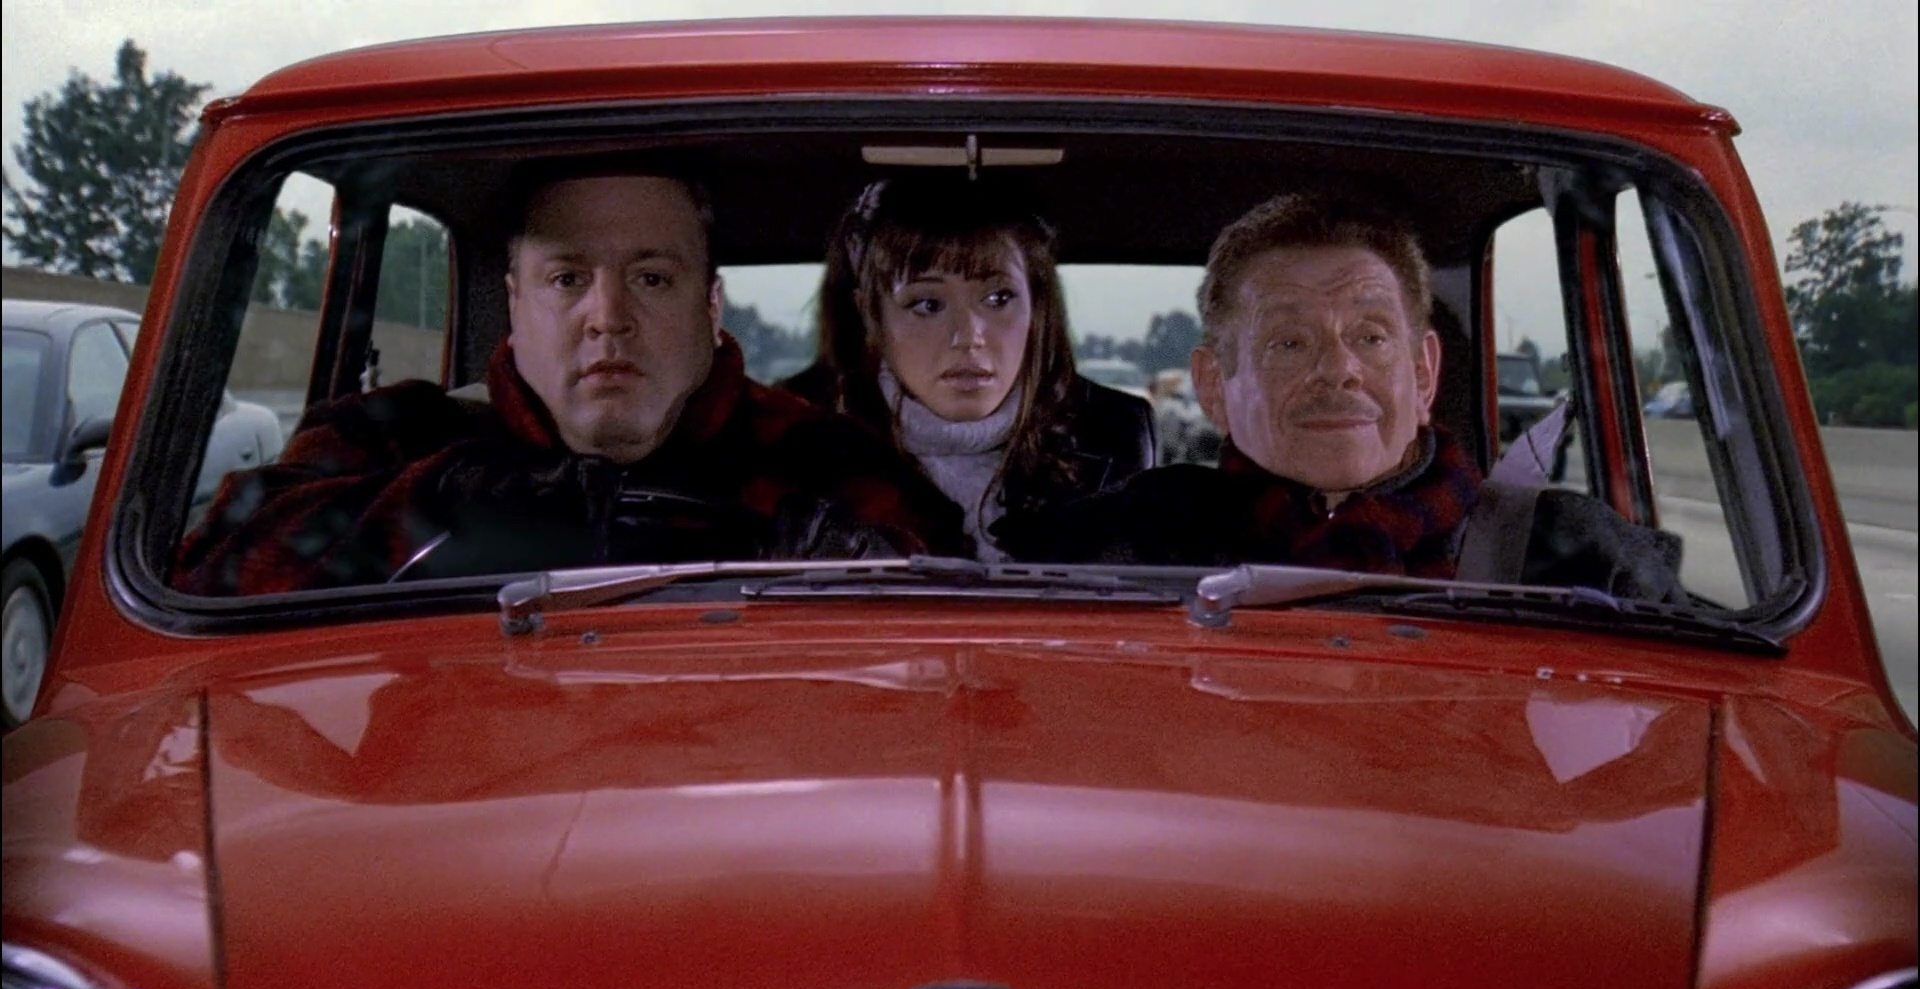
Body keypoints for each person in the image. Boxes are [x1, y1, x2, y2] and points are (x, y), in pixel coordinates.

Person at [173, 160, 961, 595]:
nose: (607, 317)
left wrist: (841, 568)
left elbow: (954, 618)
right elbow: (201, 589)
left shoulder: (818, 458)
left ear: (710, 307)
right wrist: (439, 500)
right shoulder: (393, 437)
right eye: (566, 279)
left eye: (652, 279)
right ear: (515, 303)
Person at [999, 192, 1684, 602]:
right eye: (1289, 342)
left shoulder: (1575, 559)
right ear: (1213, 385)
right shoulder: (1117, 545)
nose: (1339, 370)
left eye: (1371, 337)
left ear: (1423, 374)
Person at [781, 176, 1154, 560]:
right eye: (927, 305)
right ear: (869, 315)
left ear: (1037, 308)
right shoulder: (798, 444)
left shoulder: (1110, 434)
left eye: (998, 298)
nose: (969, 336)